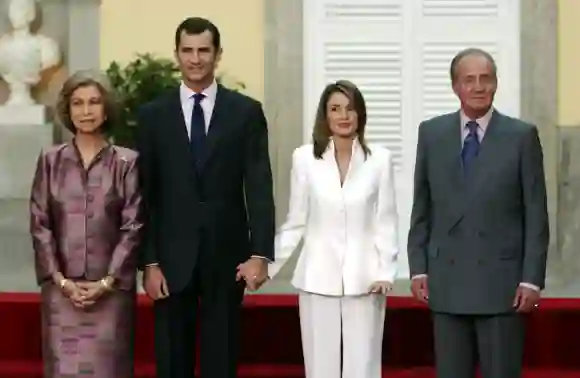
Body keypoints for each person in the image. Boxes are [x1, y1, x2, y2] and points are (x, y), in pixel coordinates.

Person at [135, 17, 275, 378]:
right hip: (169, 260)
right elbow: (144, 195)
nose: (195, 59)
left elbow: (259, 186)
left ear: (217, 55)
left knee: (221, 362)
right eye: (188, 50)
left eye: (203, 50)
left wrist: (260, 254)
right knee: (171, 363)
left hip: (227, 259)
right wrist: (149, 263)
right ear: (177, 54)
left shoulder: (245, 112)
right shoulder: (152, 116)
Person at [407, 47, 549, 378]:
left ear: (496, 84)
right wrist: (418, 269)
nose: (478, 86)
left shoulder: (521, 137)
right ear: (455, 86)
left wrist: (532, 279)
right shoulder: (431, 134)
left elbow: (536, 213)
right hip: (447, 282)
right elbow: (422, 207)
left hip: (502, 286)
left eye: (485, 78)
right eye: (468, 80)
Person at [269, 80, 399, 378]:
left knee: (363, 366)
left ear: (360, 114)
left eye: (350, 109)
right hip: (317, 276)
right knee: (320, 368)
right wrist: (268, 265)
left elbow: (386, 220)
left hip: (365, 279)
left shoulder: (380, 159)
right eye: (335, 109)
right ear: (325, 116)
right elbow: (296, 221)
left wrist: (384, 272)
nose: (343, 115)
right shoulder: (304, 158)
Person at [29, 69, 142, 378]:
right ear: (67, 109)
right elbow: (40, 224)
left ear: (107, 109)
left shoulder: (126, 162)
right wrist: (61, 281)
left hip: (111, 294)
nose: (86, 111)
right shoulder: (50, 160)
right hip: (61, 294)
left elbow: (133, 226)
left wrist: (108, 281)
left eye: (94, 102)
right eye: (77, 103)